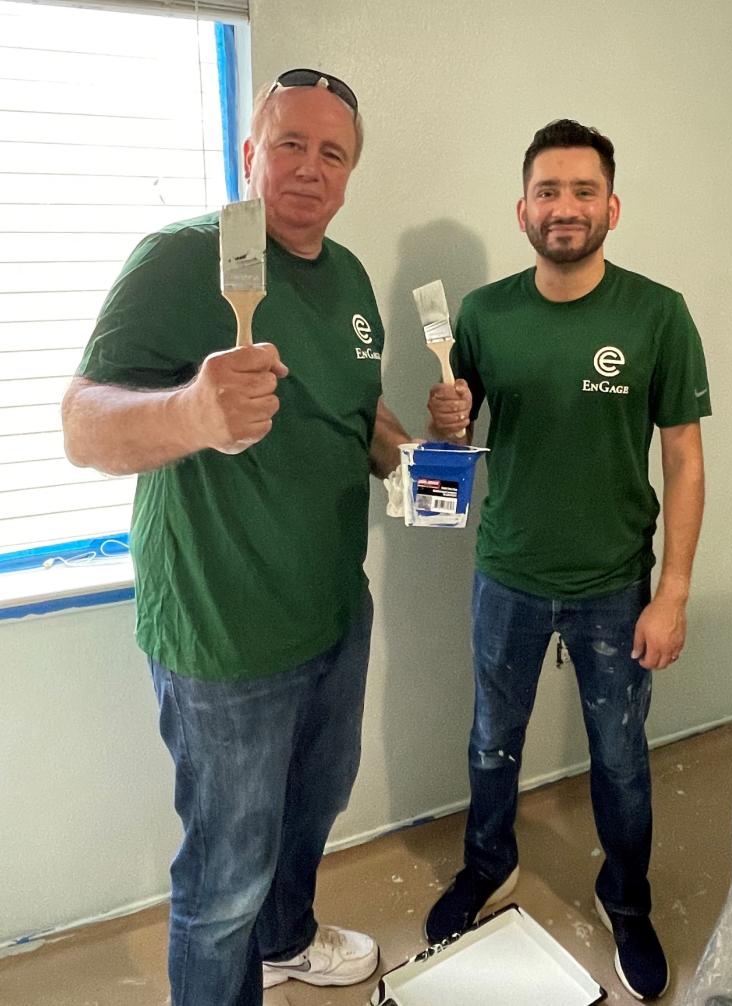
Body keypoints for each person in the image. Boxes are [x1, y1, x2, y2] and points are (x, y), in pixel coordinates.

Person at [62, 69, 411, 1006]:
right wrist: (192, 412)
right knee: (223, 884)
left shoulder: (348, 276)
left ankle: (288, 940)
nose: (309, 168)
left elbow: (356, 405)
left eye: (332, 153)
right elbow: (82, 425)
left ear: (349, 177)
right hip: (224, 639)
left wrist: (412, 455)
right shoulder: (183, 259)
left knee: (310, 815)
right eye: (289, 144)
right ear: (250, 154)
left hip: (334, 614)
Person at [424, 119, 710, 1001]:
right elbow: (457, 436)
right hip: (506, 573)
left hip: (616, 586)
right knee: (490, 743)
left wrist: (674, 593)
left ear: (612, 207)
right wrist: (446, 420)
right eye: (548, 191)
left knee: (621, 759)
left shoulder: (657, 313)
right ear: (522, 210)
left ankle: (626, 901)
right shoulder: (480, 314)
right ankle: (488, 866)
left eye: (584, 190)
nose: (565, 207)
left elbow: (686, 460)